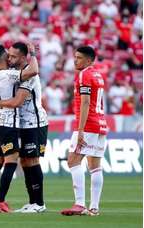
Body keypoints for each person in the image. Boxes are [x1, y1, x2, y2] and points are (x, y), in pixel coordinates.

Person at [0, 42, 48, 213]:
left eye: (13, 56)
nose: (9, 58)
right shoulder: (16, 73)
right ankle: (32, 202)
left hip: (34, 123)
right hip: (21, 124)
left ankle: (39, 203)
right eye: (8, 55)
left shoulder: (29, 75)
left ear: (24, 57)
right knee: (24, 162)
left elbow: (17, 102)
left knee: (32, 161)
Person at [61, 46, 107, 216]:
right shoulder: (97, 74)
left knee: (73, 160)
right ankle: (94, 207)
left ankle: (80, 204)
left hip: (88, 125)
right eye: (75, 57)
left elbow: (86, 102)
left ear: (88, 60)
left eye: (79, 57)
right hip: (100, 124)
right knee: (95, 166)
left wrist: (80, 130)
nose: (75, 60)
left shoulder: (84, 75)